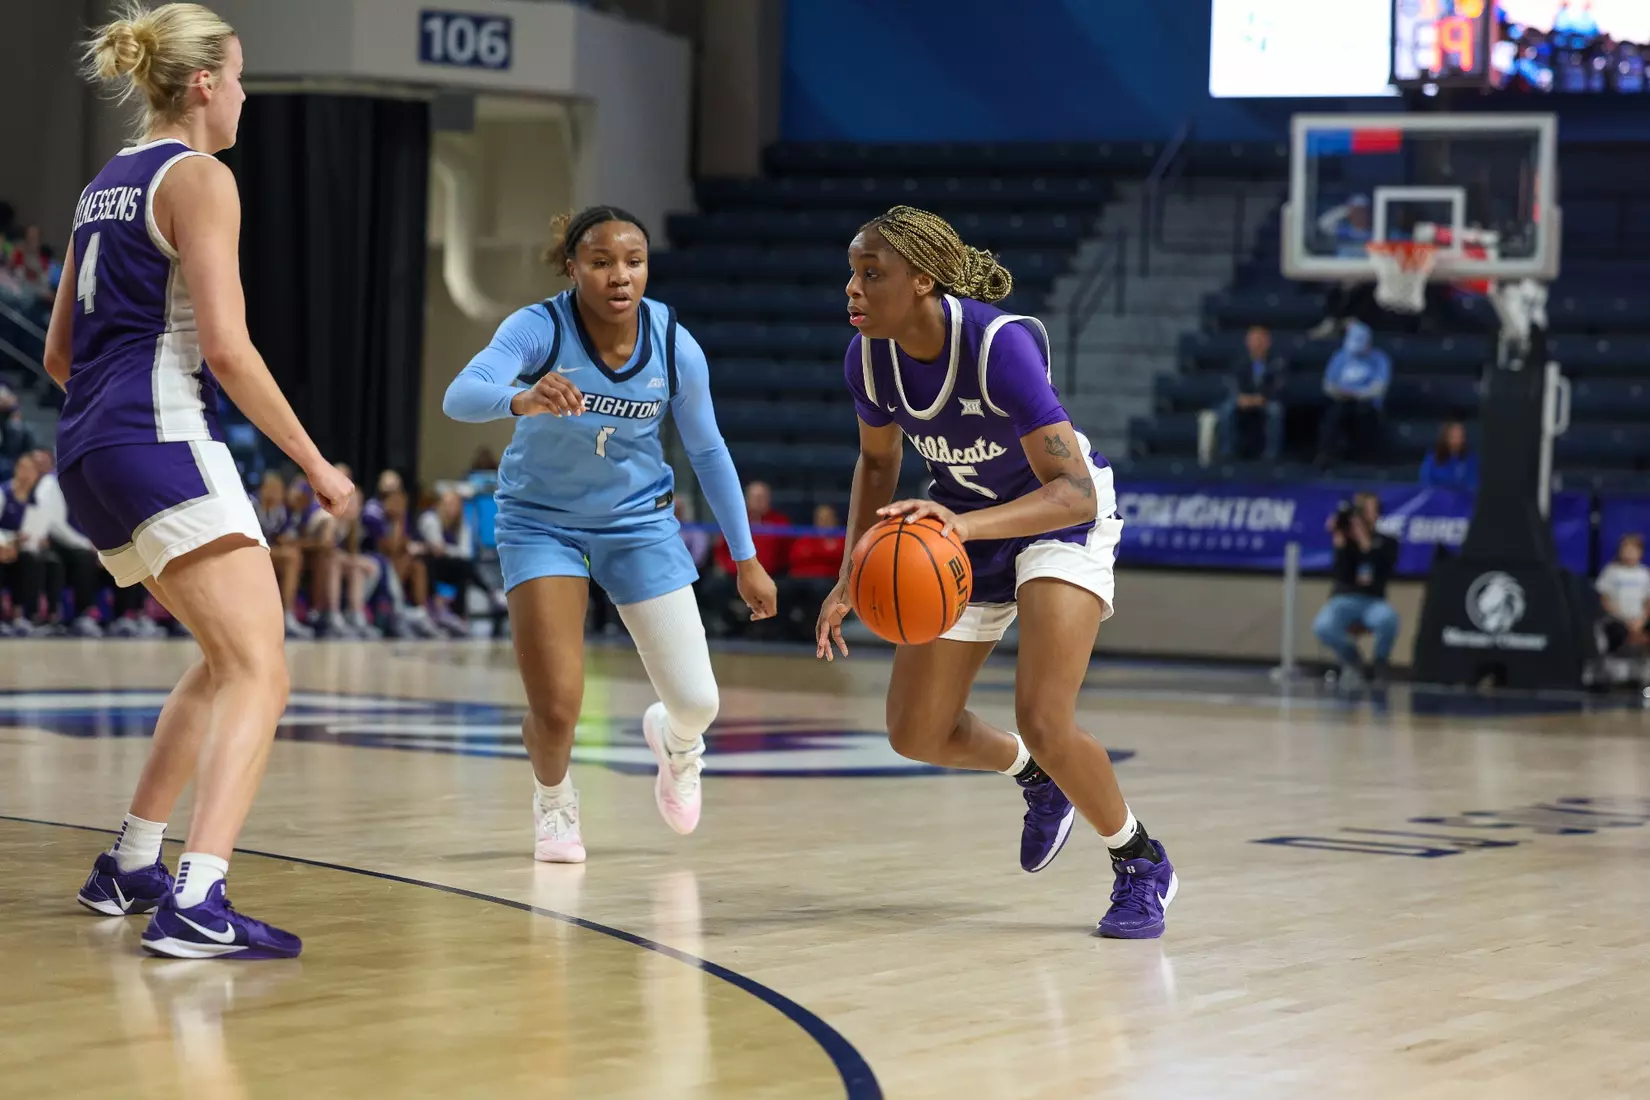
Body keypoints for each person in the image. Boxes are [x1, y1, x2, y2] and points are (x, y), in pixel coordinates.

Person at [53, 4, 353, 958]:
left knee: (227, 658)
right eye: (240, 73)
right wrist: (315, 463)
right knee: (263, 671)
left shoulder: (103, 183)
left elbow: (61, 352)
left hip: (88, 447)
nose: (248, 92)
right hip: (160, 433)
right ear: (203, 85)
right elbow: (225, 348)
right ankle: (199, 898)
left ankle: (133, 863)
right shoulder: (200, 177)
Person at [815, 206, 1177, 939]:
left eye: (871, 274)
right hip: (965, 517)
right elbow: (880, 461)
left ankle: (1141, 863)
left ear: (922, 279)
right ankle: (1036, 780)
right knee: (916, 732)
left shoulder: (996, 344)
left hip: (1057, 516)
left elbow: (1069, 490)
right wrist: (853, 568)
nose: (853, 289)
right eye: (852, 273)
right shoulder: (869, 357)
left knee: (1044, 715)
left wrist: (963, 527)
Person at [443, 204, 777, 863]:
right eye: (600, 263)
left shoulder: (675, 344)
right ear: (573, 270)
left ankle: (678, 745)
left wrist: (747, 557)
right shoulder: (538, 328)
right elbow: (461, 393)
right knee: (559, 705)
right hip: (541, 523)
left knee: (699, 702)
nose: (619, 276)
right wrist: (521, 396)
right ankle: (555, 804)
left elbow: (708, 453)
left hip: (638, 525)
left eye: (634, 261)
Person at [1312, 492, 1400, 686]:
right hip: (1343, 599)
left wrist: (1365, 544)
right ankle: (1351, 656)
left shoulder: (1387, 541)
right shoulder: (1345, 540)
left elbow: (1382, 572)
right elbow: (1341, 574)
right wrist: (1340, 543)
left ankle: (1379, 663)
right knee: (1322, 626)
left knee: (1389, 620)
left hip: (1372, 601)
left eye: (1371, 510)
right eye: (1362, 510)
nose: (1366, 514)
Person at [21, 448, 107, 636]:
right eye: (36, 463)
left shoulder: (85, 483)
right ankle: (76, 613)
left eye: (44, 462)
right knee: (80, 558)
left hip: (74, 540)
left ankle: (127, 615)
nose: (40, 466)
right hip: (54, 540)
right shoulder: (51, 482)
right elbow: (57, 525)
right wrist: (87, 545)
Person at [702, 480, 789, 637]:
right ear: (746, 499)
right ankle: (733, 624)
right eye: (755, 498)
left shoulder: (780, 522)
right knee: (712, 587)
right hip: (736, 573)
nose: (758, 502)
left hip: (770, 574)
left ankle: (768, 630)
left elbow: (787, 552)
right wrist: (731, 568)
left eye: (762, 498)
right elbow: (721, 550)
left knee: (786, 589)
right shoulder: (735, 521)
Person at [1316, 321, 1391, 469]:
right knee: (1333, 413)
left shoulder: (1380, 359)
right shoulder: (1339, 356)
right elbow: (1327, 385)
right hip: (1341, 401)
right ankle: (1326, 457)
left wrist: (1355, 394)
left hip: (1367, 403)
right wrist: (1341, 393)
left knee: (1363, 411)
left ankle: (1365, 459)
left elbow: (1379, 389)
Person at [417, 487, 490, 636]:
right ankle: (490, 593)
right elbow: (437, 549)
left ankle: (458, 615)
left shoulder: (461, 524)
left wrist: (448, 550)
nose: (451, 508)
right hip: (429, 564)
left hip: (448, 564)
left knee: (464, 571)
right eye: (447, 504)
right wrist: (450, 550)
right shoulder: (430, 519)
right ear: (440, 505)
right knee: (457, 565)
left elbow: (464, 552)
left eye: (455, 504)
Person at [1219, 325, 1286, 462]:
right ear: (1247, 342)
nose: (1257, 344)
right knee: (1226, 410)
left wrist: (1261, 398)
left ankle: (1271, 455)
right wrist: (1240, 397)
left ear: (1268, 342)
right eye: (1254, 340)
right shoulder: (1238, 361)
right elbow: (1231, 382)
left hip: (1266, 399)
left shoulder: (1278, 362)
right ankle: (1227, 453)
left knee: (1275, 411)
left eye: (1261, 340)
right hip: (1243, 399)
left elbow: (1279, 385)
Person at [0, 452, 50, 636]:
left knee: (34, 560)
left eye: (32, 470)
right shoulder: (4, 492)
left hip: (23, 549)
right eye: (24, 468)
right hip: (3, 545)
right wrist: (6, 542)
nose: (27, 473)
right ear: (16, 469)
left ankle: (23, 615)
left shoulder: (37, 500)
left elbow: (39, 530)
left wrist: (38, 539)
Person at [783, 503, 845, 642]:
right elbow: (796, 556)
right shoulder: (806, 537)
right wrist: (824, 553)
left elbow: (840, 561)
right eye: (820, 519)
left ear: (835, 520)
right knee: (782, 589)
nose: (824, 522)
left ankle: (815, 633)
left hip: (827, 581)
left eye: (827, 518)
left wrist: (814, 553)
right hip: (801, 578)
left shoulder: (842, 538)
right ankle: (785, 631)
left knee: (820, 590)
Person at [1596, 534, 1650, 654]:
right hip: (1617, 619)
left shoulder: (1645, 573)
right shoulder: (1611, 571)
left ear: (1640, 552)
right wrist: (1624, 620)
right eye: (1626, 550)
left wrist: (1642, 620)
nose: (1629, 554)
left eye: (1633, 550)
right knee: (1616, 632)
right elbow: (1605, 599)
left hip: (1639, 619)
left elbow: (1648, 601)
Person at [1418, 420, 1478, 490]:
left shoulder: (1471, 459)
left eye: (1460, 436)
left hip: (1462, 498)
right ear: (1446, 437)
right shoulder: (1433, 458)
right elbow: (1426, 484)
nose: (1457, 440)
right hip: (1439, 498)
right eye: (1453, 436)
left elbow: (1474, 484)